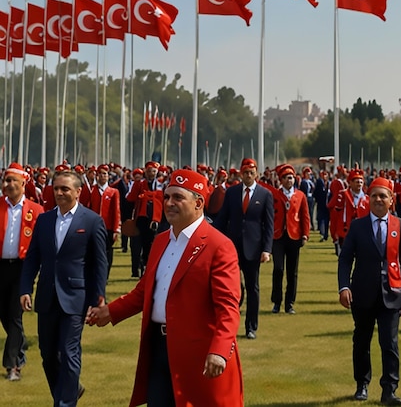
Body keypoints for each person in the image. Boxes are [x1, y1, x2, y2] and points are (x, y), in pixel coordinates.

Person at [87, 169, 243, 407]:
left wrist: (220, 350)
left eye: (178, 197)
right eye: (167, 196)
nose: (169, 203)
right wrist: (110, 311)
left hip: (199, 353)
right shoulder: (161, 241)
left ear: (199, 202)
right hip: (160, 351)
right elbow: (144, 292)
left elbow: (228, 307)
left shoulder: (218, 246)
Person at [20, 168, 108, 406]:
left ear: (78, 192)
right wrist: (25, 288)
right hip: (47, 296)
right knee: (48, 355)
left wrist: (99, 297)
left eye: (64, 189)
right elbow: (32, 258)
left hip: (75, 298)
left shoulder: (91, 221)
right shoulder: (45, 219)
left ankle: (64, 403)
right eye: (56, 188)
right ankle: (69, 390)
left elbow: (100, 263)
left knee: (69, 352)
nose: (59, 193)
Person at [338, 177, 401, 406]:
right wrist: (344, 287)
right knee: (361, 341)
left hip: (392, 293)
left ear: (391, 200)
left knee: (389, 343)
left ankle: (389, 389)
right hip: (362, 293)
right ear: (368, 199)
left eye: (383, 196)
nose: (378, 200)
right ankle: (362, 384)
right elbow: (345, 259)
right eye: (374, 196)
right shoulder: (358, 226)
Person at [214, 158, 273, 340]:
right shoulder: (231, 193)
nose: (248, 176)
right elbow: (223, 219)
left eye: (251, 172)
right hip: (232, 247)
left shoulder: (264, 194)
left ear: (256, 174)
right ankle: (228, 324)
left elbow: (269, 225)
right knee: (232, 287)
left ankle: (251, 327)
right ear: (240, 173)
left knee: (252, 287)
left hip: (254, 248)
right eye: (245, 172)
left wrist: (266, 249)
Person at [0, 163, 44, 381]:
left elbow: (41, 243)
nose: (7, 185)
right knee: (5, 316)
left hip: (22, 269)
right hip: (0, 267)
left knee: (15, 315)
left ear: (23, 183)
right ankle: (20, 349)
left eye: (11, 181)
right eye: (5, 181)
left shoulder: (35, 210)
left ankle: (12, 366)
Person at [266, 164, 310, 314]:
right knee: (278, 269)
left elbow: (305, 216)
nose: (288, 180)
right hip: (278, 236)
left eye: (290, 177)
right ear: (281, 180)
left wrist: (305, 234)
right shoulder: (274, 195)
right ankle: (276, 301)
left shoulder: (300, 195)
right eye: (285, 178)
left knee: (292, 272)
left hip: (294, 235)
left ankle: (289, 303)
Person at [127, 161, 164, 272]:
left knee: (151, 244)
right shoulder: (140, 184)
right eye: (149, 171)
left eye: (153, 171)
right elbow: (130, 198)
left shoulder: (160, 185)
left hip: (155, 219)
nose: (151, 173)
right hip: (141, 218)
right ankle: (138, 266)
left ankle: (147, 265)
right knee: (138, 244)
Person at [90, 164, 121, 276]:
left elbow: (116, 210)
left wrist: (116, 228)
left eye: (105, 174)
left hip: (108, 227)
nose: (102, 176)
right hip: (93, 226)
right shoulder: (92, 190)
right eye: (100, 174)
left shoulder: (113, 192)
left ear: (108, 176)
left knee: (107, 251)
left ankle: (105, 274)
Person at [313, 169, 330, 241]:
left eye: (326, 175)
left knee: (326, 220)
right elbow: (316, 192)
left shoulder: (329, 183)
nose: (324, 176)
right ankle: (322, 233)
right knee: (321, 219)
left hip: (328, 205)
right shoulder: (319, 182)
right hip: (321, 204)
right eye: (323, 174)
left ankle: (325, 234)